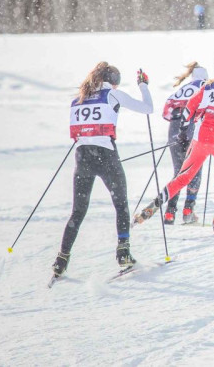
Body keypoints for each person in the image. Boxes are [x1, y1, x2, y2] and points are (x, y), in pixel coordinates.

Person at [135, 54, 214, 234]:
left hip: (200, 139)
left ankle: (152, 207)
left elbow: (190, 106)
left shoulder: (208, 85)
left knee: (183, 178)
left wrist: (182, 131)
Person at [52, 62, 153, 278]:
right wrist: (143, 85)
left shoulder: (78, 99)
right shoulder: (112, 94)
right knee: (121, 204)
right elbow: (148, 109)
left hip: (82, 159)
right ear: (113, 81)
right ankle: (123, 252)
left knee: (78, 212)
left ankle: (61, 259)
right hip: (106, 156)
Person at [161, 62, 209, 224]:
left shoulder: (181, 89)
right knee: (195, 170)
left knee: (179, 172)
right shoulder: (206, 87)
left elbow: (166, 111)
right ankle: (188, 210)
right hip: (192, 128)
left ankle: (170, 212)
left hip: (174, 130)